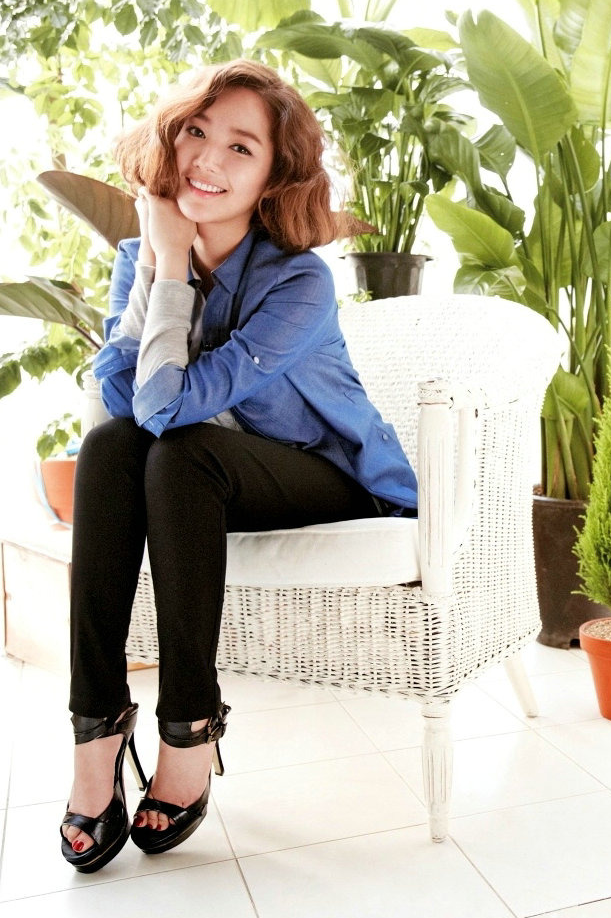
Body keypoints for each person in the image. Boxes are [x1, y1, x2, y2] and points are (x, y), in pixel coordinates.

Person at [60, 59, 418, 874]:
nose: (207, 160)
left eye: (240, 147)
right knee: (110, 448)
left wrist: (171, 269)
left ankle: (189, 728)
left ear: (273, 178)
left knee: (179, 449)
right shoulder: (144, 253)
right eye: (196, 131)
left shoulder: (298, 283)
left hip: (327, 477)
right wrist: (158, 264)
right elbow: (119, 401)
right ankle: (95, 729)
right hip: (207, 474)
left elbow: (163, 406)